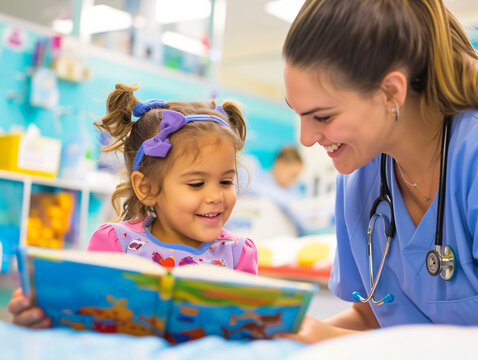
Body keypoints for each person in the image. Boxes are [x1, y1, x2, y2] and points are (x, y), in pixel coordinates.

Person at [278, 0, 478, 343]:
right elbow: (374, 317)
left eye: (322, 117)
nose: (306, 139)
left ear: (391, 92)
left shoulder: (470, 157)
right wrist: (303, 335)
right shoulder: (359, 177)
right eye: (298, 115)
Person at [8, 83, 258, 329]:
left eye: (226, 181)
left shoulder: (238, 255)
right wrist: (43, 313)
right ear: (146, 188)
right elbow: (82, 314)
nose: (216, 196)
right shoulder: (116, 244)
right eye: (196, 183)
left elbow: (251, 327)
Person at [242, 145, 306, 235]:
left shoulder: (293, 191)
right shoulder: (258, 183)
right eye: (292, 175)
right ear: (280, 165)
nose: (293, 181)